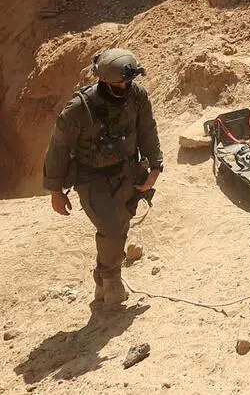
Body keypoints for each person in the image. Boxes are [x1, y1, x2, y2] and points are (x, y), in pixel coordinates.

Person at [43, 48, 163, 308]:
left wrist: (155, 166)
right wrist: (55, 190)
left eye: (129, 80)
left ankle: (101, 275)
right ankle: (111, 279)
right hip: (91, 178)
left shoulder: (137, 96)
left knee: (121, 227)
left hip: (126, 172)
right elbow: (58, 147)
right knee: (109, 228)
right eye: (121, 81)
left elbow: (147, 130)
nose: (127, 85)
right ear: (105, 81)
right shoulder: (80, 108)